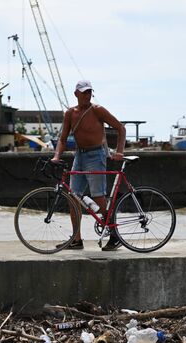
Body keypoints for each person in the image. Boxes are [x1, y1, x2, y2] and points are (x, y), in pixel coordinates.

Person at [51, 80, 126, 251]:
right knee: (73, 196)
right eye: (83, 92)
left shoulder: (97, 110)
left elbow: (120, 128)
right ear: (76, 94)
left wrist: (119, 151)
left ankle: (114, 235)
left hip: (96, 155)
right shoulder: (70, 113)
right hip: (80, 155)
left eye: (89, 92)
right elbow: (62, 140)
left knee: (99, 197)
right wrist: (56, 156)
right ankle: (76, 240)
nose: (87, 95)